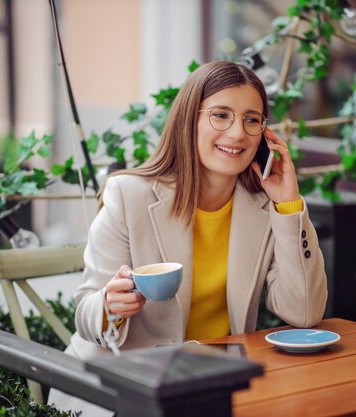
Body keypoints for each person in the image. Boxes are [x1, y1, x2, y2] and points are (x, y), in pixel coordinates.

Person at [48, 60, 327, 415]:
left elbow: (304, 312)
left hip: (213, 387)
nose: (237, 133)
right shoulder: (129, 194)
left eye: (251, 119)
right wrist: (110, 306)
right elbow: (86, 314)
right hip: (122, 390)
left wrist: (288, 204)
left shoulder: (264, 207)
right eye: (221, 115)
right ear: (189, 120)